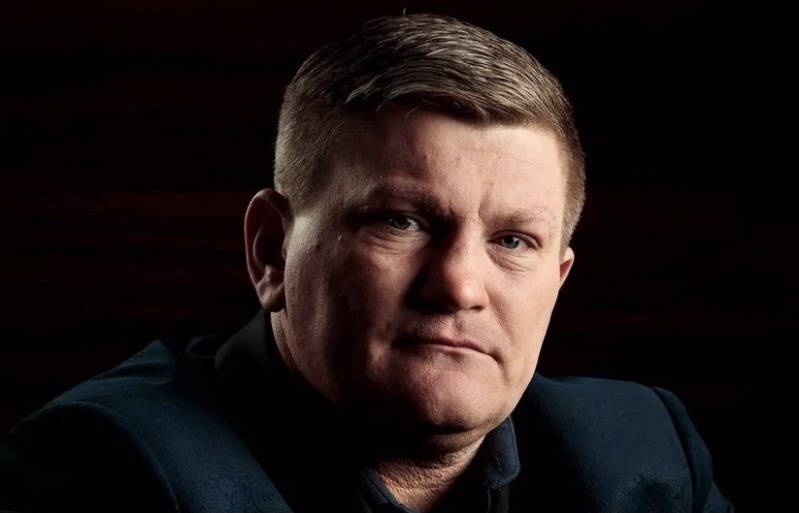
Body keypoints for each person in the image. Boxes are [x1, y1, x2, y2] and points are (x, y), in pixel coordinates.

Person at [0, 12, 733, 513]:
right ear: (271, 251)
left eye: (513, 241)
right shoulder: (105, 467)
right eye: (401, 221)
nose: (459, 285)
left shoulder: (645, 450)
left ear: (559, 279)